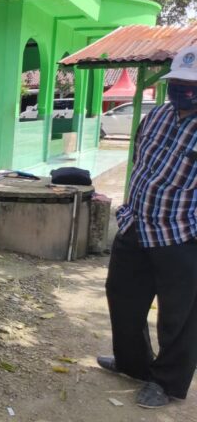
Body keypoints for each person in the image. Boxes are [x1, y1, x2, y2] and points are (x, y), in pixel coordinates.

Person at [97, 45, 197, 409]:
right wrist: (129, 211)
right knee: (122, 296)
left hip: (180, 235)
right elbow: (139, 162)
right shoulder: (155, 117)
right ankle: (133, 364)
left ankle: (167, 382)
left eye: (191, 85)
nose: (183, 90)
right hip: (136, 225)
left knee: (179, 316)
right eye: (178, 83)